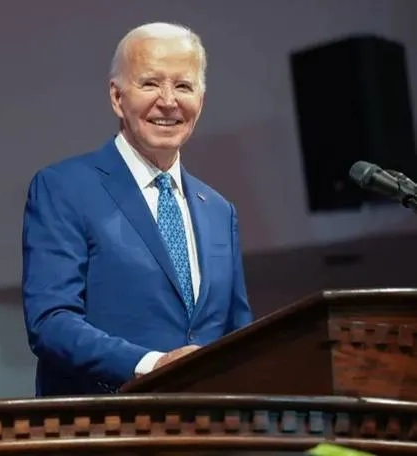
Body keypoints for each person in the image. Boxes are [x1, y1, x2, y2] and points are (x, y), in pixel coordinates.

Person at [21, 22, 253, 397]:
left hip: (206, 425)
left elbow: (240, 336)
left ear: (201, 100)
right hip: (107, 422)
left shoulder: (219, 211)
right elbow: (51, 321)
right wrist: (151, 365)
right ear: (117, 97)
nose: (168, 101)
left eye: (183, 86)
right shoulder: (64, 188)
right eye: (150, 83)